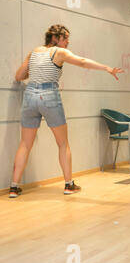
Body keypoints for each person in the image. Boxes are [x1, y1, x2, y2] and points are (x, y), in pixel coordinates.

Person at [9, 24, 123, 198]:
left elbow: (19, 76)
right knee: (63, 143)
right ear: (57, 39)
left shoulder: (34, 53)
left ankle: (14, 187)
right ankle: (69, 185)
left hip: (30, 95)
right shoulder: (58, 52)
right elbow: (83, 62)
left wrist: (34, 73)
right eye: (66, 38)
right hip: (49, 96)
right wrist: (107, 68)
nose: (68, 42)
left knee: (24, 144)